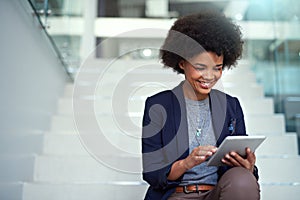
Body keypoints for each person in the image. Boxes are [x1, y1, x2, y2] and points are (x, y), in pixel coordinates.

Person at [141, 10, 260, 200]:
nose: (209, 77)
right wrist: (187, 163)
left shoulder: (231, 106)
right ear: (182, 63)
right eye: (200, 67)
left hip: (217, 194)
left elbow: (239, 172)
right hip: (176, 196)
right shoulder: (158, 105)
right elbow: (152, 174)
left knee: (242, 179)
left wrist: (249, 168)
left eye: (217, 68)